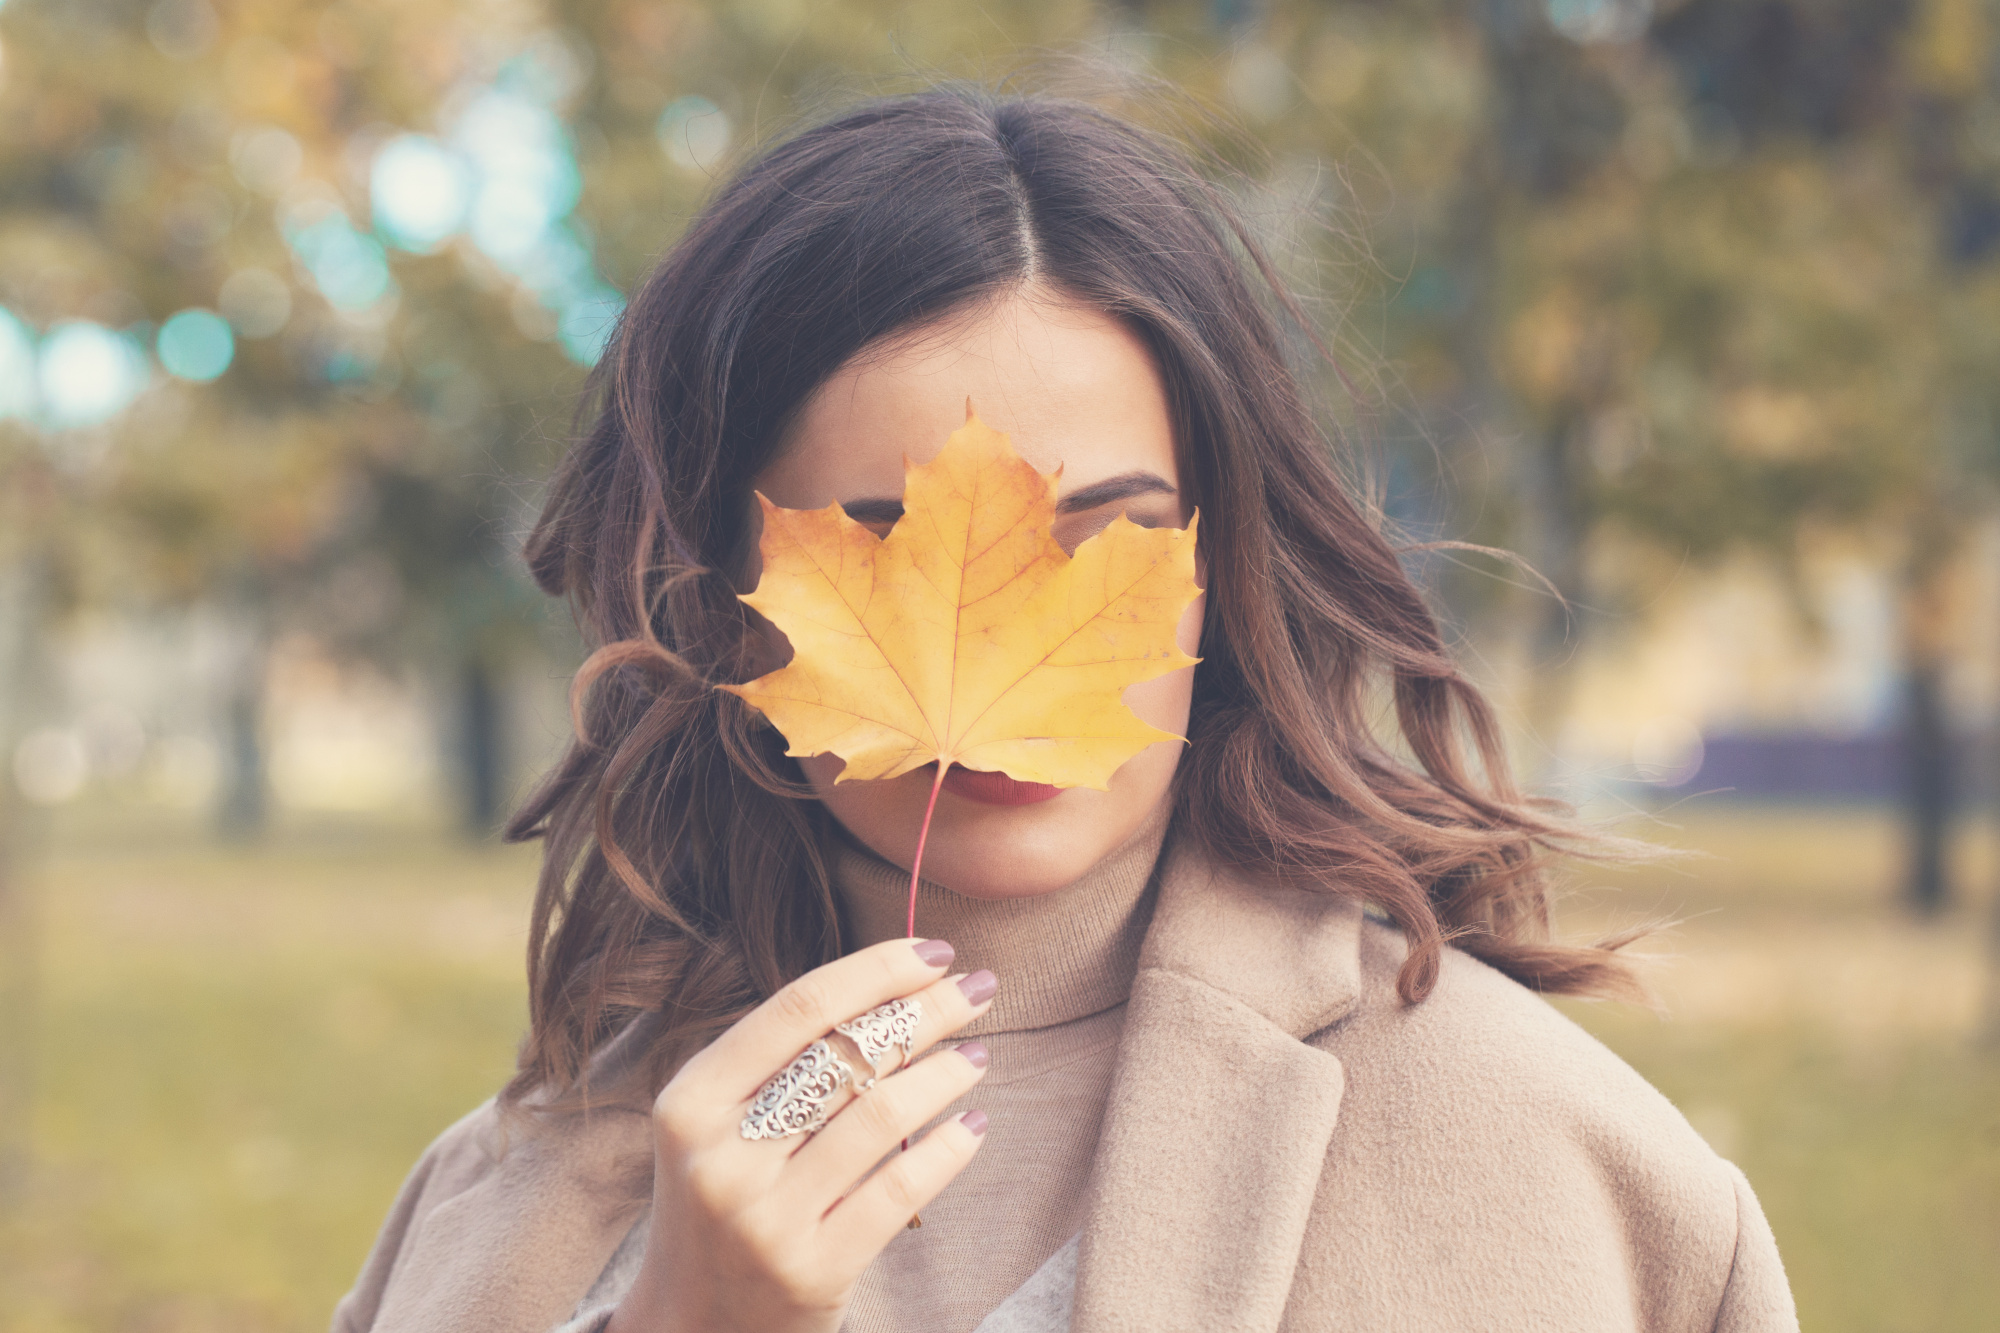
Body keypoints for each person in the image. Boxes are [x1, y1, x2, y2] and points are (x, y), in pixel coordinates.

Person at [331, 87, 1797, 1333]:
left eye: (1109, 536)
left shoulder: (1562, 1168)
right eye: (888, 547)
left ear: (1220, 571)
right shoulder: (498, 1209)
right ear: (729, 598)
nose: (1007, 634)